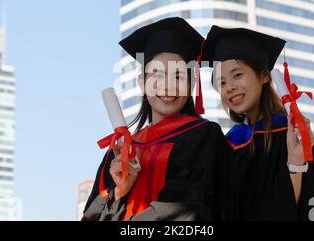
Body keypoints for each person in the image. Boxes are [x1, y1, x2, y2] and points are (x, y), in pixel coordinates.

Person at [82, 17, 230, 221]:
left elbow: (191, 209)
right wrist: (118, 193)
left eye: (178, 76)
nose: (168, 86)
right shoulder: (121, 151)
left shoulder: (204, 137)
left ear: (191, 84)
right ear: (142, 83)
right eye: (157, 75)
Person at [201, 25, 314, 221]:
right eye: (221, 83)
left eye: (237, 75)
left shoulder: (291, 134)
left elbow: (307, 204)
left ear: (264, 76)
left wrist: (294, 163)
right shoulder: (229, 144)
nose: (229, 88)